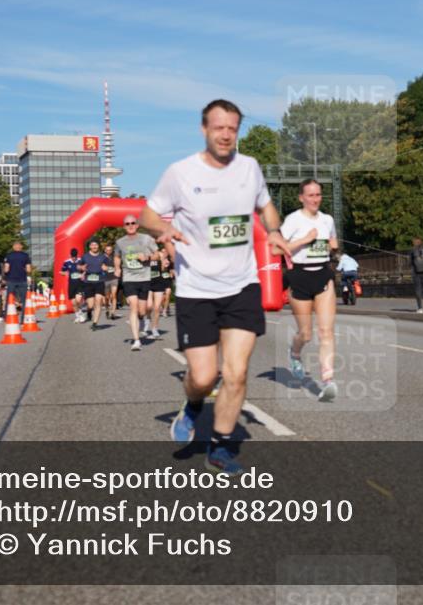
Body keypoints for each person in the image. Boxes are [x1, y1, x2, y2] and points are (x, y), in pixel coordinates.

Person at [140, 98, 293, 474]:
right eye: (218, 127)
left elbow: (266, 205)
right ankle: (193, 406)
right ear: (204, 129)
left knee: (237, 372)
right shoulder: (180, 173)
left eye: (232, 128)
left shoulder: (250, 168)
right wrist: (163, 228)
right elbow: (146, 213)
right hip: (196, 289)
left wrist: (273, 231)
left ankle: (221, 447)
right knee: (204, 377)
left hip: (242, 285)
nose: (226, 134)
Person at [281, 178, 339, 401]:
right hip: (299, 277)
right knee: (305, 333)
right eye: (311, 195)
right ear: (301, 198)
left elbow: (332, 238)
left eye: (318, 195)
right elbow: (277, 247)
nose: (315, 199)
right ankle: (295, 353)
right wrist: (305, 240)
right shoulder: (293, 220)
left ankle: (327, 381)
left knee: (326, 332)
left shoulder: (327, 219)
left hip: (323, 275)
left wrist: (333, 247)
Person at [115, 214, 157, 351]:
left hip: (144, 278)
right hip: (129, 278)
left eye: (133, 223)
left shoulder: (146, 239)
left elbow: (158, 254)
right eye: (127, 224)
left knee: (142, 310)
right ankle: (136, 340)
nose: (130, 225)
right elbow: (116, 256)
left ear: (137, 225)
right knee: (133, 306)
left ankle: (142, 318)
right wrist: (117, 268)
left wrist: (147, 257)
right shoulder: (120, 242)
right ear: (124, 226)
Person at [80, 239, 110, 331]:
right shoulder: (85, 256)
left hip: (99, 281)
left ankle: (95, 323)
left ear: (98, 246)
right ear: (89, 246)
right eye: (92, 245)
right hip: (88, 282)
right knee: (91, 304)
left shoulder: (103, 257)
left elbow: (109, 267)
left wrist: (106, 268)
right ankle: (89, 312)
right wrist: (82, 269)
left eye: (96, 245)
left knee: (99, 301)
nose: (94, 246)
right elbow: (80, 266)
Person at [3, 240, 32, 313]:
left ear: (13, 247)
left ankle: (7, 316)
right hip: (22, 280)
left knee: (9, 298)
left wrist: (5, 276)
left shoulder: (9, 256)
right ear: (21, 247)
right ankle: (24, 317)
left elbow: (6, 269)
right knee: (24, 299)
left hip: (11, 280)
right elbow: (29, 270)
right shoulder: (25, 256)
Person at [60, 248, 86, 322]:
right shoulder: (66, 262)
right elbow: (61, 272)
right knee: (74, 303)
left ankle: (81, 311)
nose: (74, 258)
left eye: (75, 256)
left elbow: (86, 269)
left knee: (78, 300)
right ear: (70, 255)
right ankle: (78, 316)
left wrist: (83, 274)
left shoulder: (80, 261)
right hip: (71, 284)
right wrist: (65, 273)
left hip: (79, 284)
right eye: (72, 256)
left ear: (77, 255)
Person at [103, 243, 120, 320]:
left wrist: (118, 270)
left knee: (114, 295)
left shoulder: (114, 257)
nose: (109, 251)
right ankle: (107, 309)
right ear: (105, 250)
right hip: (105, 279)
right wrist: (103, 267)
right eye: (107, 250)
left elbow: (118, 266)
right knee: (106, 297)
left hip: (114, 278)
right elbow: (101, 266)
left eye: (110, 250)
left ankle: (113, 313)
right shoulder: (101, 257)